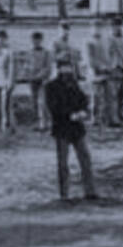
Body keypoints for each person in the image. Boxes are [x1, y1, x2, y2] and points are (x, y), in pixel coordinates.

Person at [44, 56, 98, 202]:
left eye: (69, 67)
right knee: (63, 163)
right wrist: (70, 114)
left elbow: (82, 100)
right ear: (58, 69)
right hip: (62, 128)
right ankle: (64, 194)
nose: (67, 70)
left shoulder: (74, 84)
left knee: (85, 158)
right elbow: (53, 107)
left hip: (77, 128)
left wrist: (83, 111)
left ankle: (90, 191)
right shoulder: (51, 86)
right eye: (64, 67)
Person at [108, 18, 123, 127]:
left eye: (120, 26)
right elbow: (107, 55)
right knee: (113, 95)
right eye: (116, 26)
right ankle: (113, 117)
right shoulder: (109, 39)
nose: (118, 28)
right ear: (112, 27)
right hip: (114, 69)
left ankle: (121, 113)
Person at [0, 30, 16, 135]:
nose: (0, 41)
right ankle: (7, 125)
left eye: (2, 38)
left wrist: (10, 81)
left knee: (6, 105)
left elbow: (11, 68)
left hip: (6, 81)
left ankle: (8, 126)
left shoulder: (9, 51)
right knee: (2, 104)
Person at [27, 32, 51, 132]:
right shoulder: (29, 52)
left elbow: (48, 67)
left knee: (43, 102)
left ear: (41, 40)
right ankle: (36, 123)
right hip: (32, 80)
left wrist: (40, 75)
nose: (36, 42)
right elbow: (27, 65)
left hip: (42, 80)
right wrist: (28, 71)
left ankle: (44, 124)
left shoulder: (46, 52)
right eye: (34, 40)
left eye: (38, 40)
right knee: (34, 102)